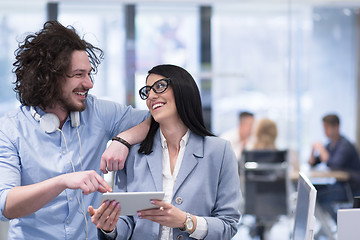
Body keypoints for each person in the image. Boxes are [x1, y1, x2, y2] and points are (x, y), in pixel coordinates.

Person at [0, 21, 150, 239]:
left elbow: (159, 119)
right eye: (79, 74)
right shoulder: (11, 128)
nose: (89, 84)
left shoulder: (97, 112)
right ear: (49, 77)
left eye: (89, 74)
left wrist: (123, 140)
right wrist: (63, 181)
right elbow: (6, 205)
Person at [88, 64, 242, 240]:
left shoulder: (219, 152)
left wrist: (186, 221)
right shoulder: (132, 155)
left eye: (159, 87)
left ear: (183, 89)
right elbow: (126, 223)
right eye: (147, 91)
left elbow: (228, 225)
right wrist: (110, 228)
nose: (151, 96)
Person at [308, 114, 360, 220]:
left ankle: (338, 226)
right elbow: (313, 163)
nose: (324, 131)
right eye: (324, 128)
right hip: (339, 185)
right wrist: (313, 150)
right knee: (311, 191)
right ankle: (332, 228)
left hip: (351, 188)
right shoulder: (331, 144)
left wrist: (321, 149)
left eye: (326, 128)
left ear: (336, 127)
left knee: (319, 197)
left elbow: (334, 165)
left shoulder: (345, 145)